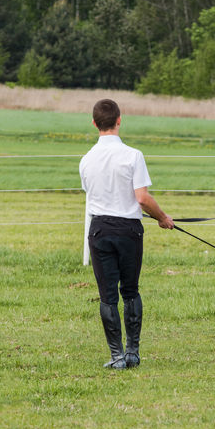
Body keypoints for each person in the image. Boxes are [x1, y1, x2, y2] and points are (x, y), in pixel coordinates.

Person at [79, 99, 174, 369]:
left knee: (107, 295)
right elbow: (142, 199)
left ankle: (116, 355)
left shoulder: (86, 160)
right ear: (120, 120)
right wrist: (163, 218)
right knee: (130, 291)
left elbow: (94, 195)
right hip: (129, 231)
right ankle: (133, 352)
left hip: (99, 229)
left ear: (94, 123)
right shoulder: (133, 156)